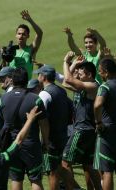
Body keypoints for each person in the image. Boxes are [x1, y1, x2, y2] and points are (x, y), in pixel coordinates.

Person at [0, 67, 49, 190]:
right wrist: (46, 142)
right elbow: (44, 124)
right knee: (35, 179)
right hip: (31, 145)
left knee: (16, 178)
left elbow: (1, 124)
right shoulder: (35, 99)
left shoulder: (3, 98)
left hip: (11, 145)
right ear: (26, 81)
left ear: (12, 81)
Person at [62, 54, 102, 190]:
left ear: (89, 74)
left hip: (82, 130)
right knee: (88, 165)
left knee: (65, 163)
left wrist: (66, 61)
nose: (77, 72)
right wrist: (74, 65)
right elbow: (65, 83)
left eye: (80, 71)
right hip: (88, 131)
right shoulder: (82, 87)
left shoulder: (92, 85)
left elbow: (67, 78)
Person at [34, 65, 72, 190]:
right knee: (60, 168)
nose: (37, 76)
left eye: (38, 74)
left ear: (43, 77)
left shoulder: (44, 94)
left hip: (51, 139)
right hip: (62, 135)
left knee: (52, 172)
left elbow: (38, 114)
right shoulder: (61, 90)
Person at [94, 58, 116, 190]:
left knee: (107, 170)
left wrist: (98, 122)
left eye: (100, 72)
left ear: (106, 72)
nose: (100, 74)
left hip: (108, 131)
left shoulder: (105, 86)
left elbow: (97, 105)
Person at [9, 10, 43, 79]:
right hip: (13, 87)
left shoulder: (31, 49)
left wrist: (30, 20)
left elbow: (39, 33)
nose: (21, 36)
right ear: (16, 35)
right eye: (19, 34)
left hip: (26, 87)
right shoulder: (10, 51)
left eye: (23, 34)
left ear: (28, 36)